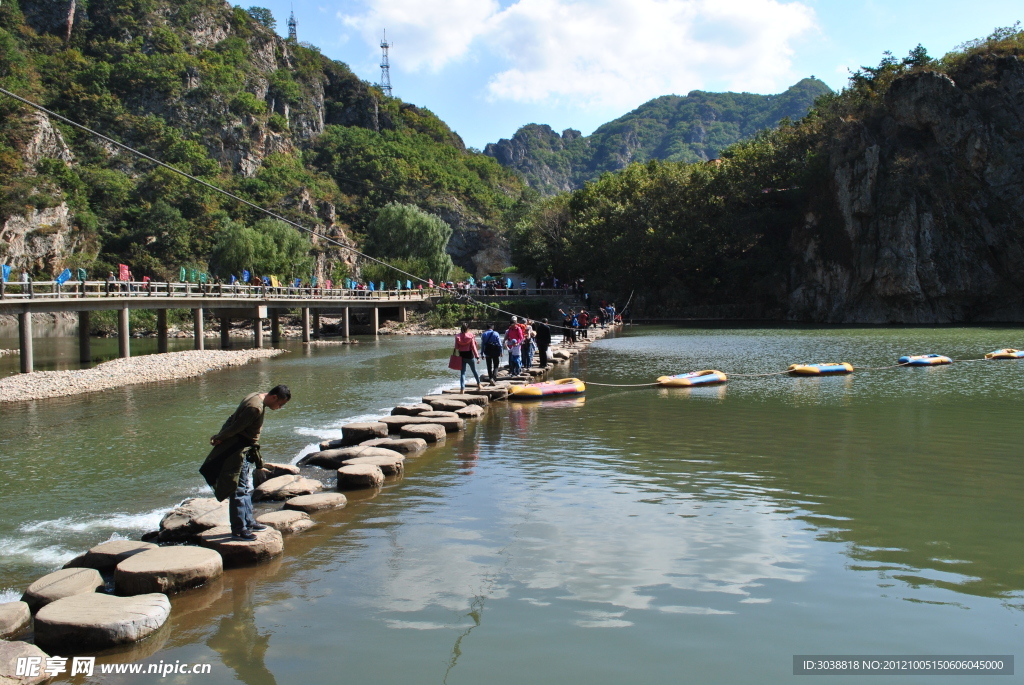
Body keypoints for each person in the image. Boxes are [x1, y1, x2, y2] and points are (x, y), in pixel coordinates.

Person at [199, 385, 291, 540]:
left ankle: (248, 521)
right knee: (239, 489)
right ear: (274, 397)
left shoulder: (254, 395)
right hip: (236, 450)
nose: (279, 407)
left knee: (245, 487)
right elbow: (236, 427)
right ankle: (239, 529)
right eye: (280, 404)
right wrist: (220, 437)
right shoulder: (255, 408)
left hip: (243, 449)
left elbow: (232, 419)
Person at [453, 323, 481, 391]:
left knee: (462, 373)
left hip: (461, 356)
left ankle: (462, 389)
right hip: (469, 355)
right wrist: (477, 357)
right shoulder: (470, 336)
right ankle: (479, 384)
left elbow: (456, 347)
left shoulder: (457, 336)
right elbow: (473, 347)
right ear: (468, 329)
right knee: (474, 370)